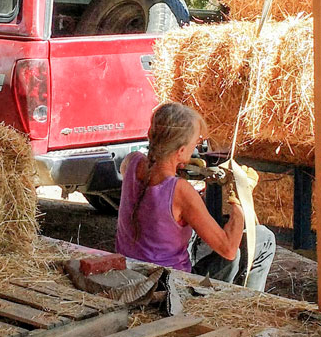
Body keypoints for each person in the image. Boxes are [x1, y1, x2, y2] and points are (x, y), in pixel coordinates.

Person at [115, 102, 276, 292]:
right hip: (169, 288)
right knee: (264, 239)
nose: (196, 147)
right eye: (195, 144)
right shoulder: (181, 192)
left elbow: (148, 178)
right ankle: (249, 308)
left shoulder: (132, 162)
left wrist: (176, 164)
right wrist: (241, 198)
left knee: (234, 258)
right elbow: (228, 248)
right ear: (181, 150)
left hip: (129, 275)